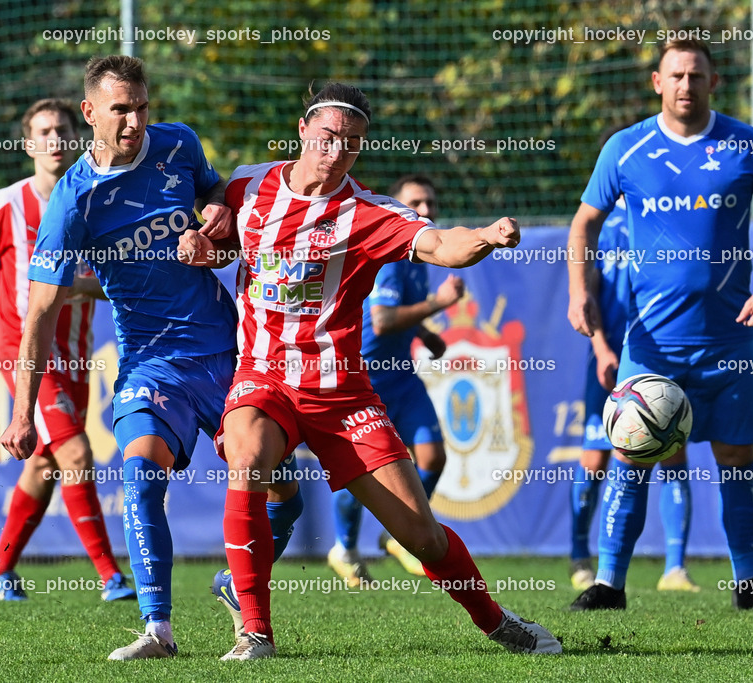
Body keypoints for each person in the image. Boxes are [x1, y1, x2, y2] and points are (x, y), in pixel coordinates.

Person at [180, 82, 561, 660]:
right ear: (303, 131)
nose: (337, 152)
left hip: (342, 395)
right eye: (328, 137)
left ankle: (496, 620)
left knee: (422, 537)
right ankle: (254, 632)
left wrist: (484, 236)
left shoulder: (367, 212)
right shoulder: (248, 185)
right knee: (248, 457)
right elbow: (225, 237)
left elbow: (440, 244)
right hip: (264, 377)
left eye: (352, 143)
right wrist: (200, 242)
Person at [0, 55, 303, 660]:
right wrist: (21, 412)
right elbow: (40, 313)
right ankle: (156, 628)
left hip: (227, 350)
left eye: (141, 107)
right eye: (120, 110)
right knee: (140, 474)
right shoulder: (73, 201)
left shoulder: (178, 144)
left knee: (282, 495)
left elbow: (214, 191)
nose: (135, 121)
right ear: (90, 113)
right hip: (150, 360)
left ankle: (235, 583)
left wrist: (215, 211)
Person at [566, 38, 753, 612]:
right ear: (657, 82)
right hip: (651, 344)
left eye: (696, 75)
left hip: (729, 341)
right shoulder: (625, 148)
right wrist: (579, 292)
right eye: (676, 75)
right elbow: (584, 225)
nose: (686, 85)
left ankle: (750, 587)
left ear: (714, 82)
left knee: (737, 462)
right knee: (631, 459)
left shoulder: (749, 145)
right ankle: (608, 585)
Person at [0, 99, 135, 603]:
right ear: (28, 143)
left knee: (44, 465)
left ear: (76, 137)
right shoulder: (7, 204)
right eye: (44, 131)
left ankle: (0, 570)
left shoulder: (99, 200)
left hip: (74, 355)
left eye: (62, 130)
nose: (54, 139)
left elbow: (119, 282)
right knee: (76, 453)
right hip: (23, 353)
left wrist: (81, 286)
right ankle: (111, 576)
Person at [570, 146, 697, 594]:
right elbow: (588, 292)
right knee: (596, 457)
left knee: (672, 450)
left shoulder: (671, 219)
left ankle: (675, 569)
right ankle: (580, 558)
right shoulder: (604, 227)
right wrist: (602, 349)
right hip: (611, 359)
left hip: (658, 356)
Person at [328, 175, 463, 586]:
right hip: (367, 379)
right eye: (415, 203)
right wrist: (438, 303)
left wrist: (426, 334)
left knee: (433, 458)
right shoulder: (391, 256)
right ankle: (344, 549)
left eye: (430, 203)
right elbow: (383, 320)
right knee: (361, 473)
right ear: (398, 209)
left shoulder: (420, 257)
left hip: (402, 375)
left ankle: (398, 535)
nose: (425, 210)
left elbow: (396, 314)